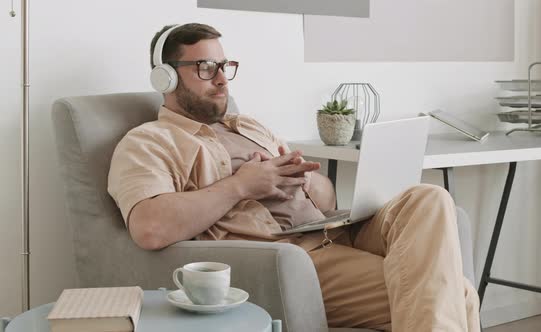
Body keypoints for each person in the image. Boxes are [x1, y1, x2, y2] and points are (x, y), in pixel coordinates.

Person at [107, 23, 480, 331]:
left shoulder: (249, 126)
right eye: (206, 68)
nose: (222, 79)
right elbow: (149, 227)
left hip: (334, 233)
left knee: (429, 197)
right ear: (166, 77)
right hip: (294, 260)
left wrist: (301, 179)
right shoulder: (149, 141)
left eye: (225, 66)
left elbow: (327, 199)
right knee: (458, 295)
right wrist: (241, 186)